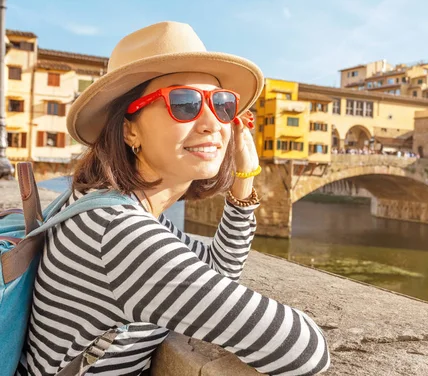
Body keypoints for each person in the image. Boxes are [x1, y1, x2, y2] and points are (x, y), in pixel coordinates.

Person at [18, 22, 330, 375]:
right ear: (129, 129)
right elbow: (303, 350)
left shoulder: (106, 204)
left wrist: (244, 181)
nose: (213, 122)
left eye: (222, 104)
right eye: (185, 103)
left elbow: (219, 271)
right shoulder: (121, 233)